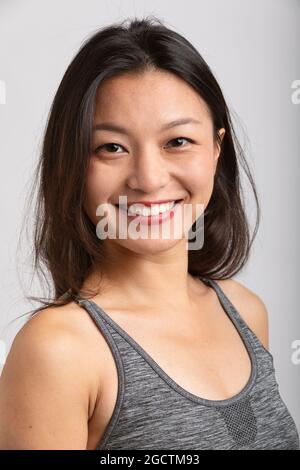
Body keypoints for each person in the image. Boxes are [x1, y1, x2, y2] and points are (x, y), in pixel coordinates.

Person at [0, 16, 298, 450]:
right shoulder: (58, 349)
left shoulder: (246, 311)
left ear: (217, 149)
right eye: (111, 148)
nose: (148, 178)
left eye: (177, 141)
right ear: (72, 164)